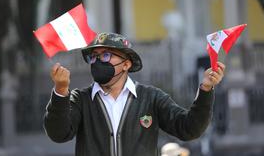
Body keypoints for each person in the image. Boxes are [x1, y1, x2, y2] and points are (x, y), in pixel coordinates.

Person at [44, 32, 225, 156]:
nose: (98, 60)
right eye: (94, 56)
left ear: (126, 64)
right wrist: (61, 91)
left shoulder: (151, 98)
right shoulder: (80, 99)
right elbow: (58, 134)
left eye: (106, 55)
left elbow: (189, 129)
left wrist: (206, 90)